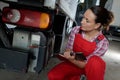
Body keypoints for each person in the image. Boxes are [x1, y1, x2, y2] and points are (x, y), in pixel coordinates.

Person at [48, 6, 114, 80]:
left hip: (88, 69)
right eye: (83, 18)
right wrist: (68, 52)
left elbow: (85, 65)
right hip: (72, 64)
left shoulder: (103, 43)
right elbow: (69, 48)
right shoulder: (76, 30)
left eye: (87, 20)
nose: (82, 21)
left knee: (96, 62)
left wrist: (72, 59)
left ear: (97, 25)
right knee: (53, 75)